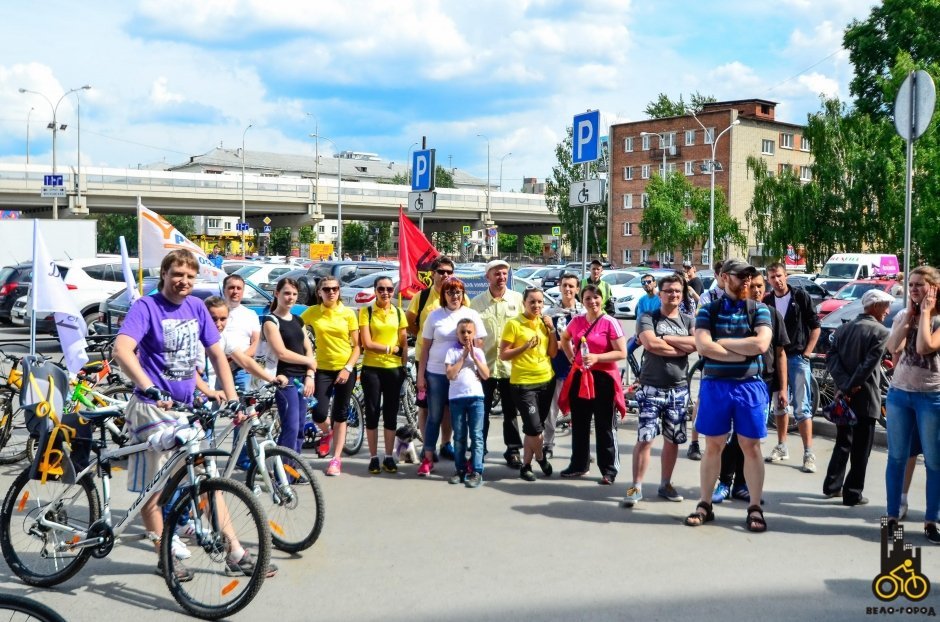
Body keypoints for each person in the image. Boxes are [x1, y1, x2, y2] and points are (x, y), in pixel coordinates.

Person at [114, 249, 275, 580]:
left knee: (209, 479)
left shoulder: (197, 308)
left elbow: (218, 355)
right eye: (177, 274)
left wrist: (233, 400)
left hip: (185, 410)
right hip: (151, 408)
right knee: (154, 489)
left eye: (189, 276)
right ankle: (165, 556)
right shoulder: (146, 307)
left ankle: (235, 551)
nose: (183, 281)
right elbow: (122, 349)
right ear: (164, 275)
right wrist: (148, 386)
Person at [686, 258, 772, 533]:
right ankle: (705, 504)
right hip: (715, 385)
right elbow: (702, 345)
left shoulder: (759, 309)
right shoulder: (707, 310)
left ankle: (755, 507)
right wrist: (740, 352)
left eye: (750, 275)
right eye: (740, 275)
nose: (747, 280)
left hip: (750, 386)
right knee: (713, 446)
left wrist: (721, 343)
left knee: (751, 446)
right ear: (724, 277)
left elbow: (760, 344)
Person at [712, 272, 788, 504]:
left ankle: (741, 485)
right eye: (751, 286)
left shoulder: (770, 314)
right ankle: (724, 482)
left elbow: (780, 353)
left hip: (762, 384)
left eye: (759, 286)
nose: (755, 290)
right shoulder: (733, 313)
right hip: (732, 382)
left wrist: (783, 388)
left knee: (748, 439)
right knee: (727, 437)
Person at [623, 274, 695, 508]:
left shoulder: (688, 320)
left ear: (682, 293)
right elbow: (650, 343)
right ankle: (636, 486)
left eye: (677, 290)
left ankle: (665, 484)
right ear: (660, 293)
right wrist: (678, 346)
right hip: (651, 388)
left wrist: (665, 339)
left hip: (679, 390)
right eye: (668, 291)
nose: (673, 294)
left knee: (673, 440)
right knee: (645, 439)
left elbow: (696, 345)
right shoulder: (648, 317)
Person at [884, 266, 940, 544]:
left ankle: (931, 520)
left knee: (934, 461)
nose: (914, 289)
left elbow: (924, 347)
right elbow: (893, 346)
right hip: (899, 394)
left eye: (920, 285)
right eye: (911, 285)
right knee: (896, 457)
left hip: (931, 396)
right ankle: (892, 516)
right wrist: (908, 316)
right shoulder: (906, 314)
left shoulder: (938, 318)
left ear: (934, 288)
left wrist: (926, 313)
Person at [823, 289, 892, 506]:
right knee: (861, 447)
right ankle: (852, 493)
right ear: (874, 307)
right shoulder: (880, 331)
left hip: (844, 394)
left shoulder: (844, 328)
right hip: (864, 396)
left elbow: (831, 357)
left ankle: (832, 486)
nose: (888, 312)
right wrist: (851, 385)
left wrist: (843, 385)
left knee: (843, 441)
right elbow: (867, 366)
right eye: (885, 306)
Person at [558, 283, 627, 484]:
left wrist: (597, 358)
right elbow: (565, 338)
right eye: (588, 298)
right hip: (581, 377)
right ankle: (579, 464)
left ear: (602, 299)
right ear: (582, 300)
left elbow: (622, 352)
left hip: (603, 378)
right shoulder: (577, 320)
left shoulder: (610, 322)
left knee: (604, 424)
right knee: (579, 423)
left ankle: (609, 469)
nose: (592, 301)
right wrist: (573, 357)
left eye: (596, 297)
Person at [417, 277, 486, 477]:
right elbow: (425, 348)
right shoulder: (434, 316)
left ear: (463, 294)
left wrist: (469, 346)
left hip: (463, 375)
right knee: (435, 416)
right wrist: (421, 376)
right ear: (443, 295)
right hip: (437, 373)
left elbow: (480, 342)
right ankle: (428, 458)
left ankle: (467, 460)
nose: (454, 296)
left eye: (458, 292)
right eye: (450, 292)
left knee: (464, 420)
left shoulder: (471, 314)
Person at [764, 262, 821, 473]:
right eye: (772, 277)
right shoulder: (767, 301)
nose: (776, 280)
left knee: (802, 406)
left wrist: (807, 353)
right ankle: (781, 445)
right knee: (779, 403)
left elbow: (815, 326)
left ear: (785, 275)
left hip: (797, 358)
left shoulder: (800, 296)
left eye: (779, 276)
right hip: (777, 359)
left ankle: (808, 453)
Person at [301, 276, 361, 476]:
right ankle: (328, 432)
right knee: (319, 412)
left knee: (340, 414)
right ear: (319, 292)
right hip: (323, 368)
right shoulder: (313, 312)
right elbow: (295, 325)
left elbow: (357, 346)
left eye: (335, 289)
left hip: (345, 367)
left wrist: (348, 368)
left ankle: (336, 459)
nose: (331, 292)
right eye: (326, 289)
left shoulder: (348, 314)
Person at [470, 259, 524, 468]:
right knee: (480, 412)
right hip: (485, 366)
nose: (501, 277)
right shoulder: (477, 304)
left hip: (511, 366)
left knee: (510, 412)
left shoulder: (518, 300)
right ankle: (479, 450)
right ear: (487, 277)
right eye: (497, 274)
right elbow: (471, 336)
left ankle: (512, 451)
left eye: (504, 274)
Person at [499, 287, 557, 481]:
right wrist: (524, 347)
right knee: (534, 428)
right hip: (523, 383)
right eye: (532, 301)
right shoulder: (514, 324)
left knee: (534, 429)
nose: (536, 305)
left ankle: (526, 466)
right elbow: (503, 354)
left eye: (540, 302)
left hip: (546, 380)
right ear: (524, 303)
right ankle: (540, 457)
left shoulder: (544, 323)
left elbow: (553, 353)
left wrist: (552, 330)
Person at [407, 256, 457, 459]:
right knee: (425, 405)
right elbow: (410, 323)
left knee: (447, 405)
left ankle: (446, 443)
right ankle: (428, 445)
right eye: (441, 271)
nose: (445, 275)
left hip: (451, 360)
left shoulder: (458, 294)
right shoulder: (422, 297)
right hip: (425, 359)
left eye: (448, 272)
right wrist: (424, 337)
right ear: (432, 274)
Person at [263, 278, 320, 455]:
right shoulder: (270, 321)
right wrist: (308, 362)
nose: (291, 298)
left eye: (294, 294)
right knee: (291, 427)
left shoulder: (298, 320)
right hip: (285, 380)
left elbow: (308, 349)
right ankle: (282, 475)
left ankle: (294, 468)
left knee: (301, 427)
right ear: (277, 294)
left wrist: (310, 375)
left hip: (303, 380)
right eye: (287, 293)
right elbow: (281, 353)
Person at [359, 275, 408, 474]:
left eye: (389, 289)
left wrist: (404, 366)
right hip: (372, 369)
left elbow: (403, 344)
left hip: (394, 370)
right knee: (372, 413)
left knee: (390, 414)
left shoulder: (398, 312)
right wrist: (390, 348)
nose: (385, 293)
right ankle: (373, 457)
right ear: (375, 290)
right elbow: (367, 343)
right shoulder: (366, 312)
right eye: (381, 289)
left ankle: (388, 456)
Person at [444, 318, 490, 487]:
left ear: (474, 334)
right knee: (459, 435)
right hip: (456, 399)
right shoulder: (452, 351)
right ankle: (460, 469)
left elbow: (486, 374)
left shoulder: (478, 352)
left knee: (477, 435)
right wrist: (463, 357)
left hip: (476, 398)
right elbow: (450, 374)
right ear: (457, 334)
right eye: (462, 332)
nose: (466, 335)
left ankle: (477, 470)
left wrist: (474, 357)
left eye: (469, 332)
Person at [544, 273, 582, 459]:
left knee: (580, 413)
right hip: (557, 367)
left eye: (571, 286)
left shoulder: (584, 313)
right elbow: (546, 342)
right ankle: (548, 444)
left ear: (577, 289)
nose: (568, 289)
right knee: (552, 410)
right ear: (559, 287)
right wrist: (564, 345)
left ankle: (580, 450)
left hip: (579, 370)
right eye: (565, 285)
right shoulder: (549, 314)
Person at [221, 274, 261, 391]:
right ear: (224, 290)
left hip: (242, 369)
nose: (235, 291)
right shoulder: (214, 313)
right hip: (217, 368)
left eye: (239, 288)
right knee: (215, 406)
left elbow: (256, 342)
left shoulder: (250, 315)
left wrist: (236, 362)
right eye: (231, 287)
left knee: (245, 406)